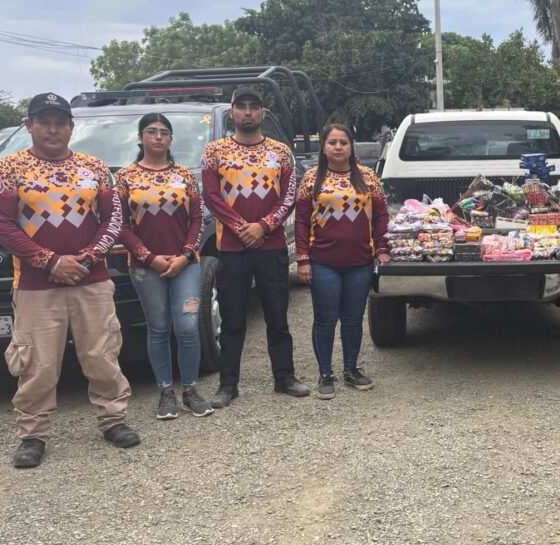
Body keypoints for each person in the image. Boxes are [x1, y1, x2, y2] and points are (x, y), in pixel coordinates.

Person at [0, 92, 140, 468]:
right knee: (37, 362)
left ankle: (113, 419)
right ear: (29, 126)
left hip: (92, 279)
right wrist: (49, 261)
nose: (53, 130)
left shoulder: (95, 167)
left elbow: (112, 219)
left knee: (101, 353)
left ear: (71, 128)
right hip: (37, 284)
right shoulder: (7, 169)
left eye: (60, 123)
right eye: (44, 122)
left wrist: (86, 258)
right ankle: (33, 434)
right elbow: (1, 225)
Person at [201, 87, 307, 407]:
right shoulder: (214, 151)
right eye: (241, 107)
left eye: (254, 107)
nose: (247, 112)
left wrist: (264, 225)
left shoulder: (280, 152)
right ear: (232, 112)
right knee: (233, 318)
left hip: (271, 244)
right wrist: (239, 227)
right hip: (232, 248)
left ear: (262, 113)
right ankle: (228, 385)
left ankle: (284, 377)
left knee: (277, 314)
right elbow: (211, 196)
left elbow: (290, 194)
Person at [116, 113, 213, 420]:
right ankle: (165, 392)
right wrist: (149, 257)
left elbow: (198, 218)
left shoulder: (184, 175)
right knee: (158, 328)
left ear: (171, 139)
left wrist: (186, 254)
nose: (158, 137)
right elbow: (121, 224)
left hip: (186, 263)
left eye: (163, 132)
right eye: (151, 131)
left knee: (187, 327)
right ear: (140, 137)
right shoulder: (125, 177)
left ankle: (191, 390)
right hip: (146, 267)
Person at [294, 124, 390, 399]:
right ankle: (325, 374)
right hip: (323, 262)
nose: (338, 147)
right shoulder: (312, 178)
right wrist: (303, 259)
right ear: (323, 147)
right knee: (325, 320)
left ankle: (351, 369)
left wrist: (382, 248)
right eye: (332, 142)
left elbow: (382, 216)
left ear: (351, 146)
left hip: (360, 262)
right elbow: (301, 221)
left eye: (343, 142)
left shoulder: (368, 177)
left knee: (352, 320)